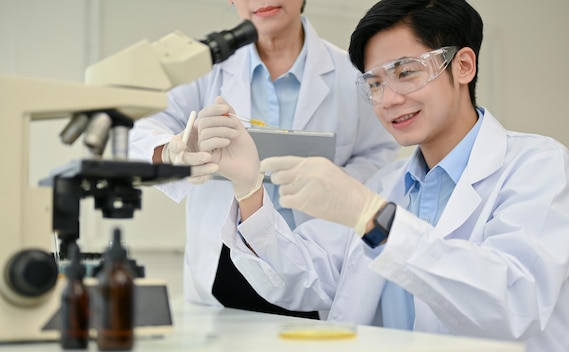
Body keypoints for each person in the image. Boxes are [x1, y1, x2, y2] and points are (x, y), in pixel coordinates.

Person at [203, 0, 569, 351]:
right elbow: (303, 279)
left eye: (406, 72)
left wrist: (374, 219)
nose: (389, 99)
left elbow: (512, 303)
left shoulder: (541, 167)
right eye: (374, 83)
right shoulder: (384, 183)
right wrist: (248, 187)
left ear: (463, 66)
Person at [128, 0, 398, 319]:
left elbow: (380, 154)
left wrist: (335, 185)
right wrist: (174, 148)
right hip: (223, 266)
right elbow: (138, 130)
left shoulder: (350, 73)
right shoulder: (205, 69)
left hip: (315, 265)